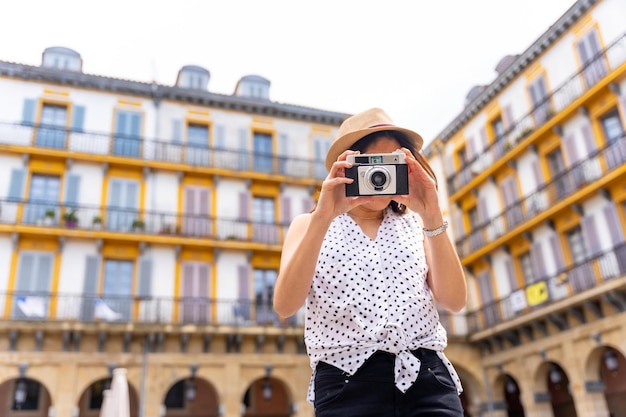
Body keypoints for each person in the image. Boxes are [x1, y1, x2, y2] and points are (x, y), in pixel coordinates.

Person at [273, 108, 467, 417]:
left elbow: (455, 300)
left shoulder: (419, 224)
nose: (382, 175)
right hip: (345, 381)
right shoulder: (308, 224)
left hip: (426, 376)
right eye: (371, 164)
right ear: (348, 166)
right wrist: (324, 216)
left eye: (394, 164)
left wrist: (432, 214)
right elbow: (285, 306)